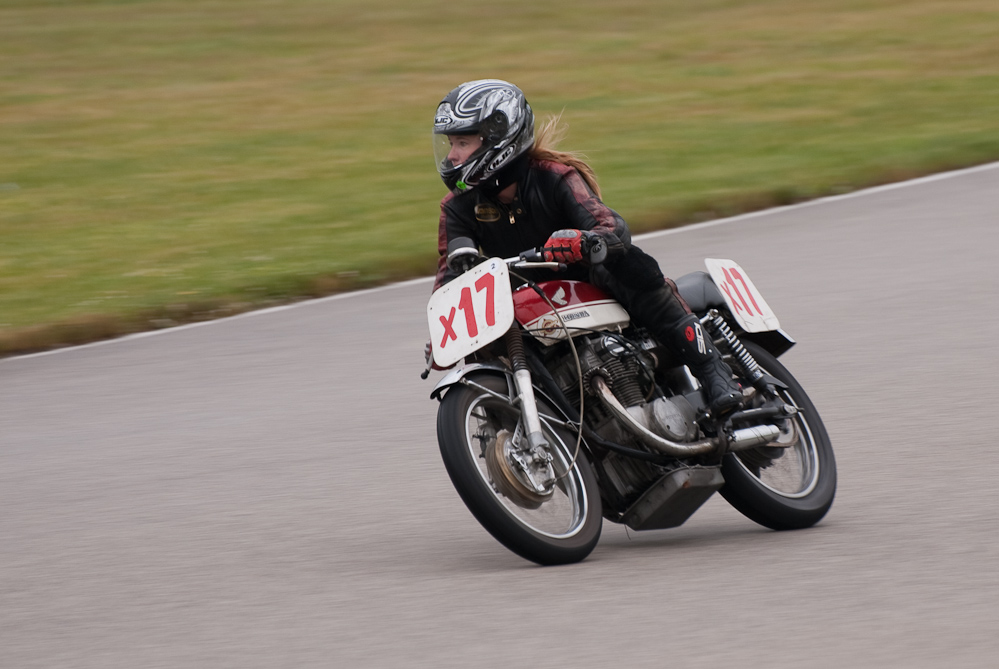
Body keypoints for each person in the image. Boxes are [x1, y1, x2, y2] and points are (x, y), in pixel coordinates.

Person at [429, 79, 743, 414]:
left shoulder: (553, 177)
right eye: (451, 143)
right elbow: (451, 276)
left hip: (588, 278)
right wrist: (443, 331)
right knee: (486, 335)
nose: (452, 155)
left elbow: (611, 227)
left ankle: (713, 370)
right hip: (527, 293)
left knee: (627, 265)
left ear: (498, 138)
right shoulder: (457, 208)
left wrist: (584, 241)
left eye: (463, 142)